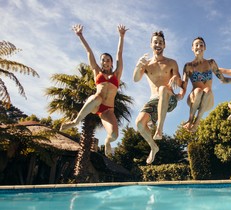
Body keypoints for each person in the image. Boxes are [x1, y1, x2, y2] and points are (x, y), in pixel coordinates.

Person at [60, 24, 128, 156]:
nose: (105, 62)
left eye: (108, 60)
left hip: (107, 110)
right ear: (101, 62)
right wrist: (80, 36)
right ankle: (75, 121)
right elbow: (89, 52)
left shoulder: (117, 75)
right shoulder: (97, 72)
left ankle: (107, 142)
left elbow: (119, 53)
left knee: (114, 135)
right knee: (98, 97)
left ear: (112, 63)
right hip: (96, 104)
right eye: (103, 60)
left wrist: (121, 36)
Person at [133, 31, 183, 164]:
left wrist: (175, 78)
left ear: (164, 45)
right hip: (153, 100)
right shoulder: (147, 64)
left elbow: (180, 82)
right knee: (139, 123)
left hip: (169, 99)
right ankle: (153, 147)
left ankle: (159, 128)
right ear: (151, 45)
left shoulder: (171, 62)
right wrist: (138, 65)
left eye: (160, 42)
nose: (158, 44)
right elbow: (136, 79)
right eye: (155, 42)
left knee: (162, 89)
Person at [181, 37, 231, 132]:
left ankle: (197, 122)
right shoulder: (188, 66)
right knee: (198, 90)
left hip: (207, 100)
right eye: (196, 45)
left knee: (207, 90)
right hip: (193, 100)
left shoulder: (211, 63)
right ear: (192, 48)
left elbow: (223, 79)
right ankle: (190, 120)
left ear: (204, 48)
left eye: (201, 45)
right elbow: (183, 85)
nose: (199, 47)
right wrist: (176, 82)